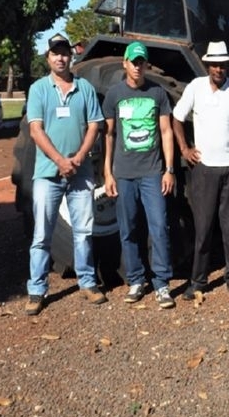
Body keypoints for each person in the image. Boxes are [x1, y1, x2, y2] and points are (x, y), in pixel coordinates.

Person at [25, 33, 106, 316]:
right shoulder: (38, 89)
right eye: (55, 53)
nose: (60, 57)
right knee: (42, 233)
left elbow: (94, 125)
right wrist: (60, 160)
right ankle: (36, 289)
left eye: (64, 52)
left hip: (81, 171)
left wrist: (79, 157)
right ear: (47, 57)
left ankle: (87, 282)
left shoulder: (84, 88)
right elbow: (36, 130)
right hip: (48, 172)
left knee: (83, 230)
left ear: (71, 56)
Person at [172, 41, 229, 299]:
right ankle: (197, 280)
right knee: (203, 226)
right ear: (208, 65)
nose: (219, 69)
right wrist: (184, 149)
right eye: (215, 65)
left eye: (223, 65)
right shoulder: (196, 87)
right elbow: (177, 117)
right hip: (204, 168)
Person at [102, 41, 176, 309]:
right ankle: (135, 279)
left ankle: (162, 283)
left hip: (152, 172)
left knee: (159, 227)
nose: (137, 65)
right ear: (125, 63)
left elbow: (166, 132)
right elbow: (109, 135)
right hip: (124, 173)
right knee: (129, 228)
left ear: (146, 64)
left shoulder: (157, 93)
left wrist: (169, 170)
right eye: (133, 61)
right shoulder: (114, 95)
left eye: (141, 61)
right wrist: (108, 173)